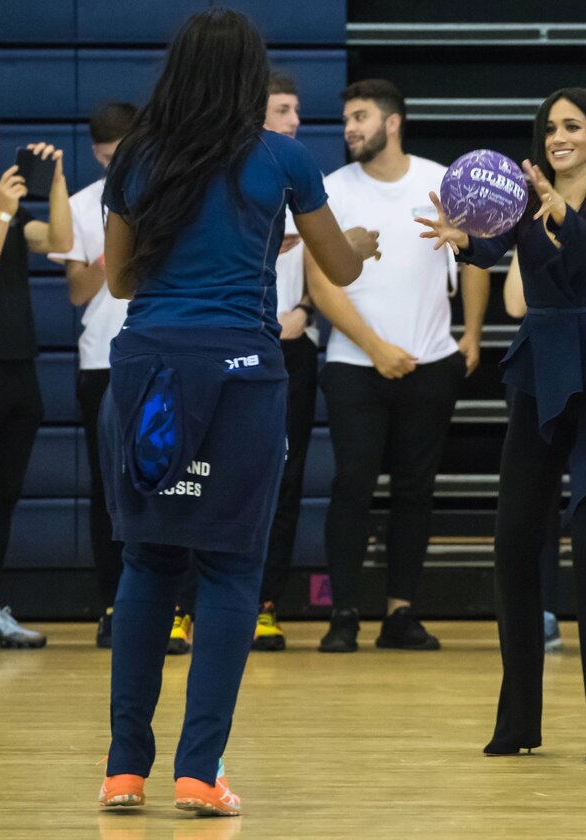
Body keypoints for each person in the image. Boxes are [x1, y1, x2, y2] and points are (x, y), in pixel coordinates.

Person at [96, 8, 378, 815]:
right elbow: (343, 272)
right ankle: (198, 770)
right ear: (253, 79)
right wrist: (354, 245)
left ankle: (123, 770)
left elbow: (120, 282)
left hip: (149, 369)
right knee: (228, 567)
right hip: (244, 375)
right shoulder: (283, 158)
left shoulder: (140, 157)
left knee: (148, 559)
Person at [418, 87, 586, 762]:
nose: (558, 136)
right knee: (514, 540)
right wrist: (464, 241)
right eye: (550, 126)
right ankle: (519, 722)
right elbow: (491, 254)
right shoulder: (526, 200)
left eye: (572, 126)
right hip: (540, 367)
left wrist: (561, 215)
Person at [307, 79, 490, 653]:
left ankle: (400, 614)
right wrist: (375, 347)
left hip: (431, 362)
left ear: (392, 122)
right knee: (352, 487)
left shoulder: (442, 181)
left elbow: (477, 253)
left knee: (415, 491)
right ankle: (343, 614)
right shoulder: (331, 190)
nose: (349, 129)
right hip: (354, 366)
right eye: (344, 120)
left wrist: (474, 332)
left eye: (359, 116)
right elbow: (320, 283)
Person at [49, 102, 137, 648]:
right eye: (106, 159)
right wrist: (112, 249)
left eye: (121, 156)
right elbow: (78, 292)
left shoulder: (169, 196)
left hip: (161, 356)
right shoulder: (84, 205)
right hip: (101, 360)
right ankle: (113, 605)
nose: (114, 166)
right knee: (109, 492)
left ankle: (173, 607)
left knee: (173, 483)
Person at [0, 128, 72, 648]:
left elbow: (60, 242)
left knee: (4, 496)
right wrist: (2, 214)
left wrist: (59, 182)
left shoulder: (11, 205)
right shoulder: (4, 208)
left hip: (18, 366)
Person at [252, 71, 320, 651]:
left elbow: (331, 268)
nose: (295, 120)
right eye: (283, 109)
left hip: (292, 346)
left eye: (297, 109)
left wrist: (304, 309)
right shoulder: (229, 178)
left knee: (285, 476)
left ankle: (265, 604)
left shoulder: (304, 174)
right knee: (209, 475)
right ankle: (186, 605)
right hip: (232, 344)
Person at [503, 252, 562, 652]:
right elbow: (513, 304)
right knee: (537, 497)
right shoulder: (531, 232)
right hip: (539, 369)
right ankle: (540, 611)